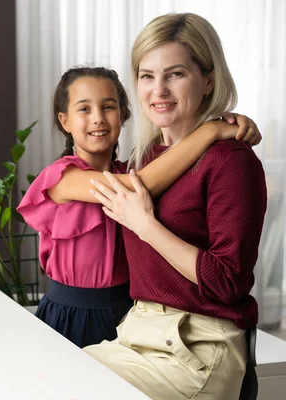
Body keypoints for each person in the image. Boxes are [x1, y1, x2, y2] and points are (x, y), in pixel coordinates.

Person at [85, 13, 267, 399]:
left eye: (176, 74)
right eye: (147, 76)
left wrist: (145, 224)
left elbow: (227, 282)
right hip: (136, 333)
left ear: (209, 80)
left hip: (198, 348)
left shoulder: (231, 161)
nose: (159, 90)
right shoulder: (144, 159)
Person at [16, 66, 261, 348]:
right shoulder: (62, 178)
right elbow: (139, 184)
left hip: (131, 313)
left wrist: (225, 122)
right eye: (84, 109)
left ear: (123, 115)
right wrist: (211, 130)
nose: (98, 118)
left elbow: (173, 154)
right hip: (71, 315)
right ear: (65, 121)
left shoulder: (138, 166)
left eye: (108, 107)